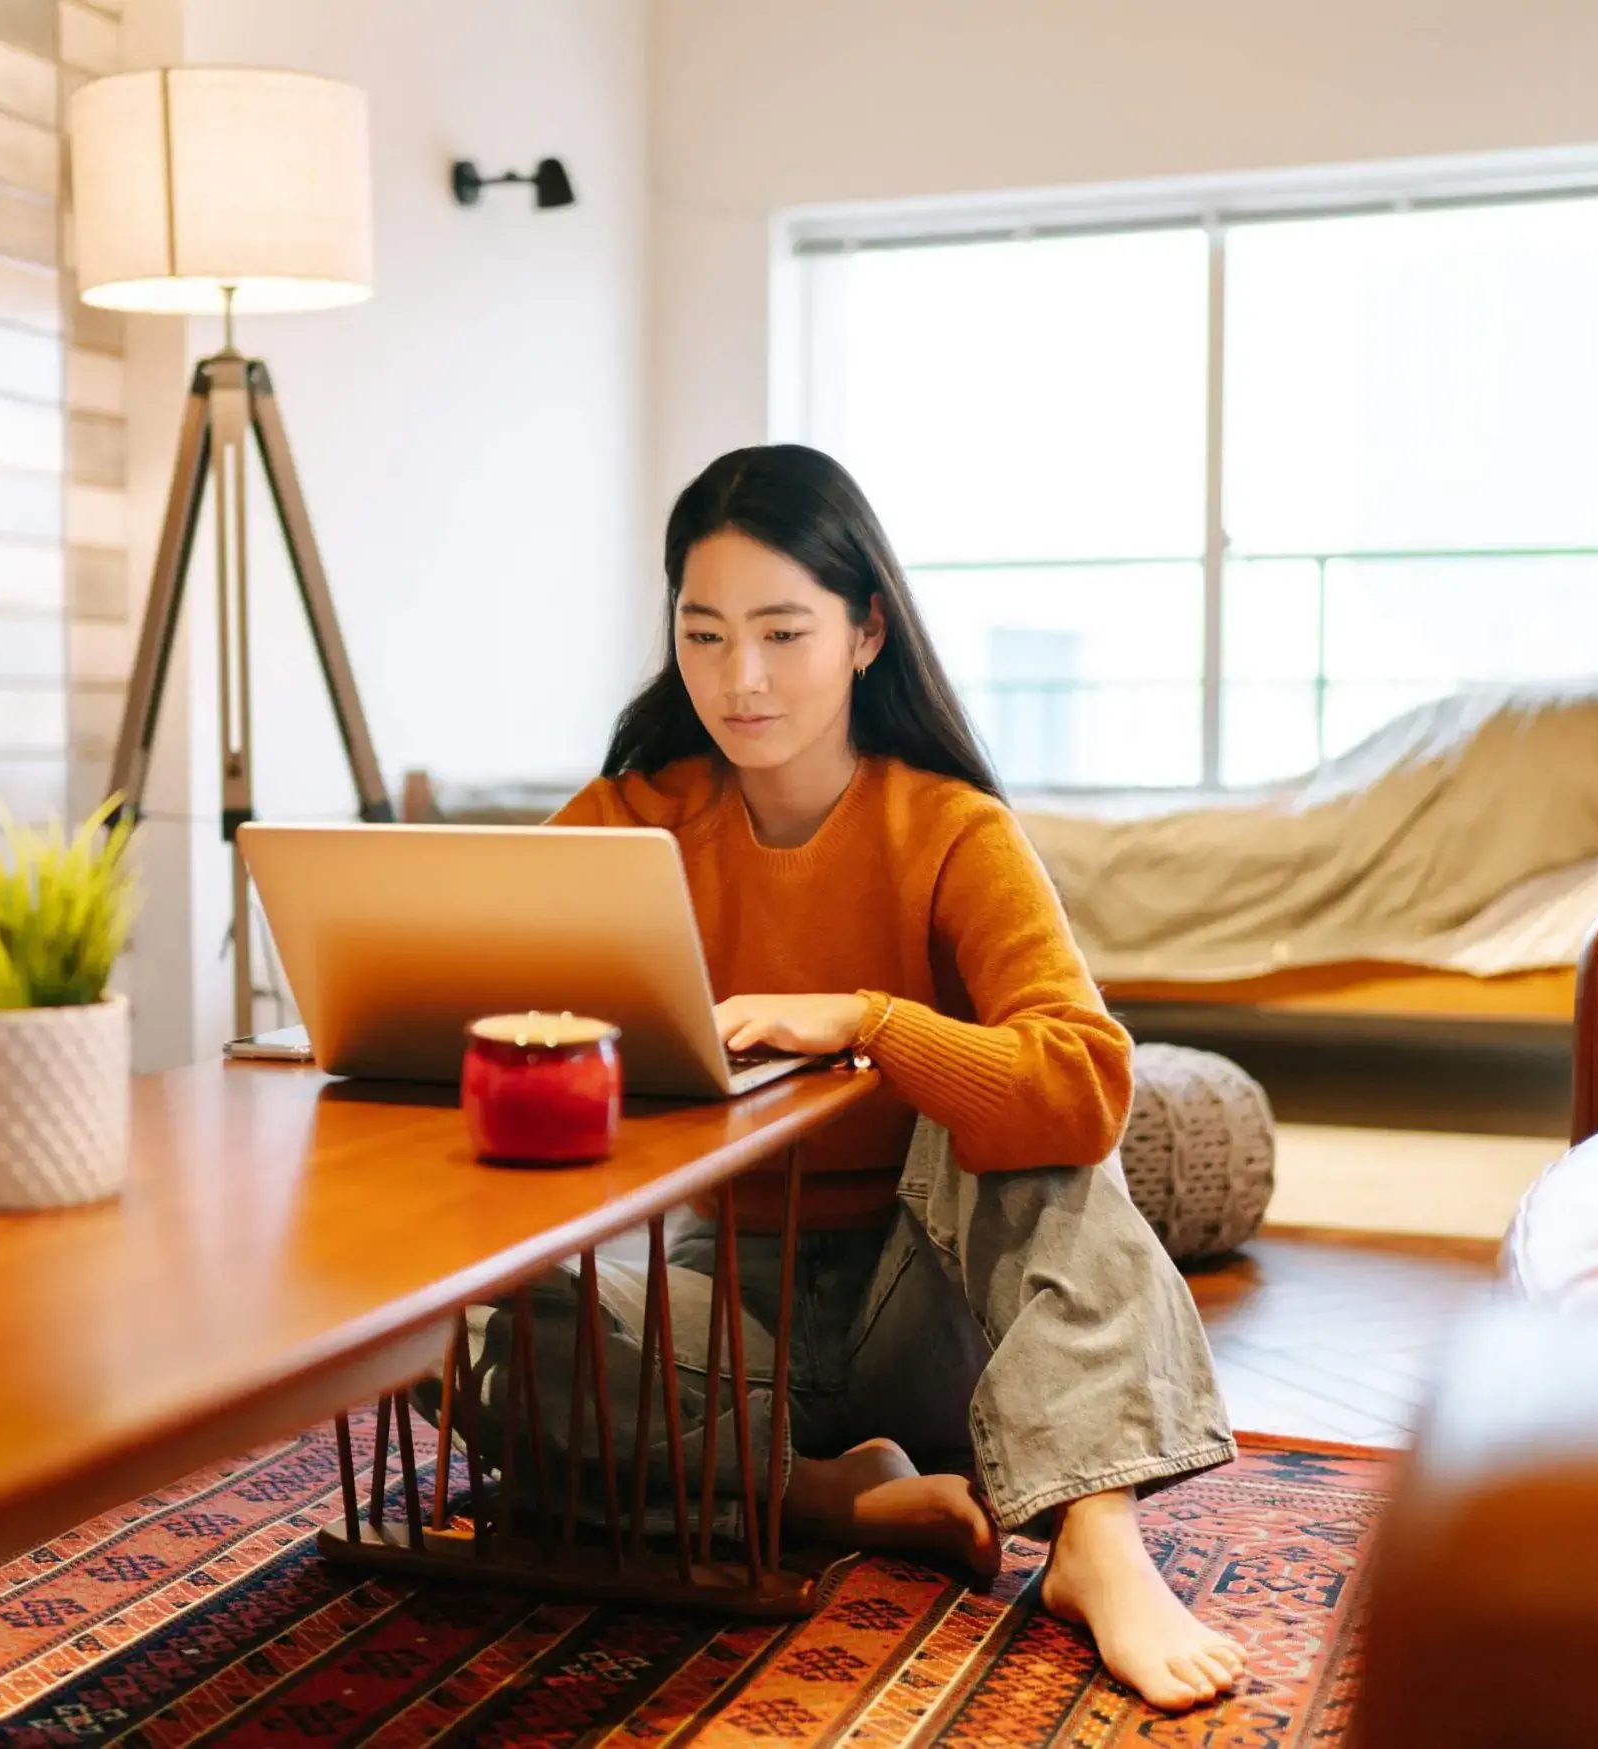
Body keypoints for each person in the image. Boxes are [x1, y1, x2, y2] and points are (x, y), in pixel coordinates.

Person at [473, 443, 1242, 1711]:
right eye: (704, 634)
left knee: (1016, 1116)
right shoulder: (626, 820)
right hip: (717, 1315)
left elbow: (1089, 1087)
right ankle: (817, 1491)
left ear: (867, 631)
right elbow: (490, 1004)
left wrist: (876, 1023)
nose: (742, 678)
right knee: (463, 1327)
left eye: (782, 631)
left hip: (925, 1309)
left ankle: (1097, 1539)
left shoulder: (948, 830)